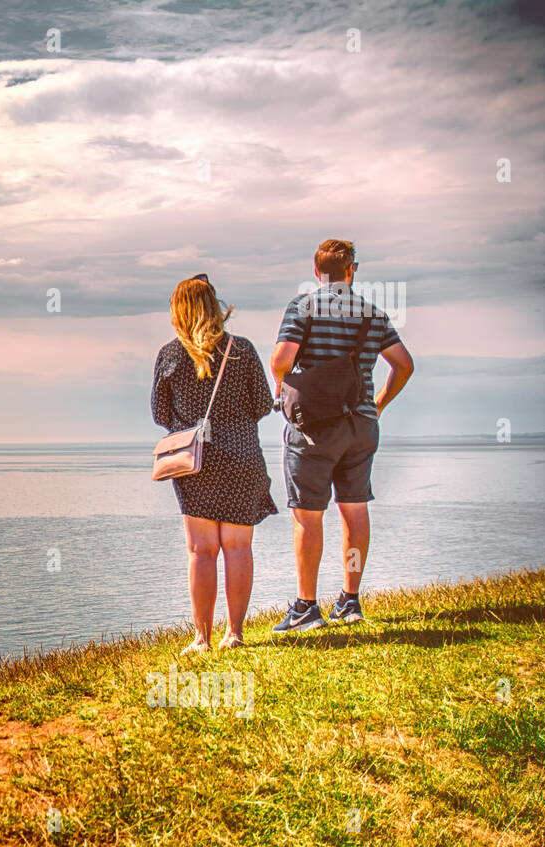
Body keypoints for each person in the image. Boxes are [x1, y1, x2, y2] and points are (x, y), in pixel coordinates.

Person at [269, 239, 415, 631]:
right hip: (362, 427)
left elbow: (282, 360)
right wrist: (379, 403)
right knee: (354, 508)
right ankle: (349, 601)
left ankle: (306, 607)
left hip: (315, 429)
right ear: (352, 270)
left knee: (308, 515)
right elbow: (403, 364)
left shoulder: (303, 307)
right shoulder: (372, 313)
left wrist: (288, 388)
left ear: (316, 272)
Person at [152, 274, 278, 655]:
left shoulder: (170, 355)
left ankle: (202, 639)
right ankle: (235, 633)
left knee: (201, 551)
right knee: (237, 547)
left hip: (195, 462)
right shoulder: (242, 349)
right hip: (242, 455)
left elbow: (160, 414)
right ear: (214, 306)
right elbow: (262, 404)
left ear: (179, 311)